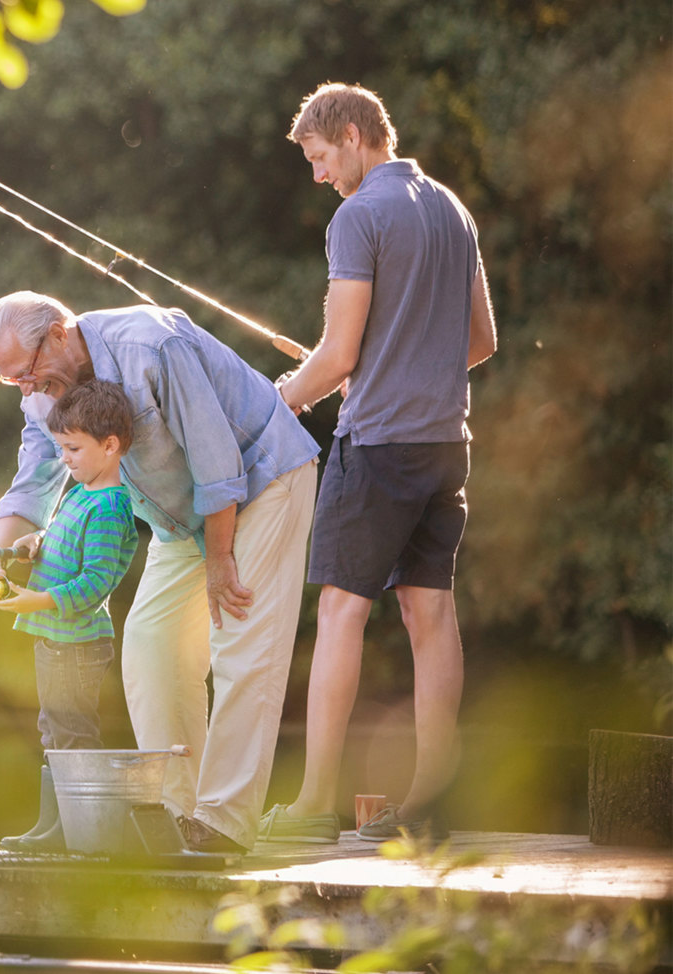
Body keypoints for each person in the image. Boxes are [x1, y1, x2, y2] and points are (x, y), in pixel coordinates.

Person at [0, 291, 319, 854]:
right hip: (179, 514)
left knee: (240, 639)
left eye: (28, 373)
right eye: (13, 382)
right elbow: (35, 470)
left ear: (60, 332)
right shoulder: (42, 392)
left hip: (261, 478)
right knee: (151, 643)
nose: (27, 389)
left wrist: (220, 558)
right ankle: (179, 813)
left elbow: (216, 458)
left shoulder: (151, 346)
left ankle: (224, 821)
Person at [264, 83, 497, 844]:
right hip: (445, 445)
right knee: (430, 611)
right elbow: (479, 343)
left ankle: (310, 806)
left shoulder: (358, 216)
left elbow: (333, 357)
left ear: (357, 135)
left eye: (320, 156)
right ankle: (431, 803)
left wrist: (283, 400)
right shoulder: (452, 211)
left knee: (339, 611)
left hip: (377, 447)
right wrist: (393, 360)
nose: (317, 174)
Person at [0, 379, 140, 851]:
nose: (66, 459)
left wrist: (38, 600)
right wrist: (34, 544)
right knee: (53, 730)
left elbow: (95, 582)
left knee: (74, 734)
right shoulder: (78, 493)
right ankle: (53, 828)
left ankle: (82, 833)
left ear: (110, 446)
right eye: (61, 448)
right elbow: (63, 547)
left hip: (77, 644)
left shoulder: (111, 507)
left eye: (73, 448)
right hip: (53, 640)